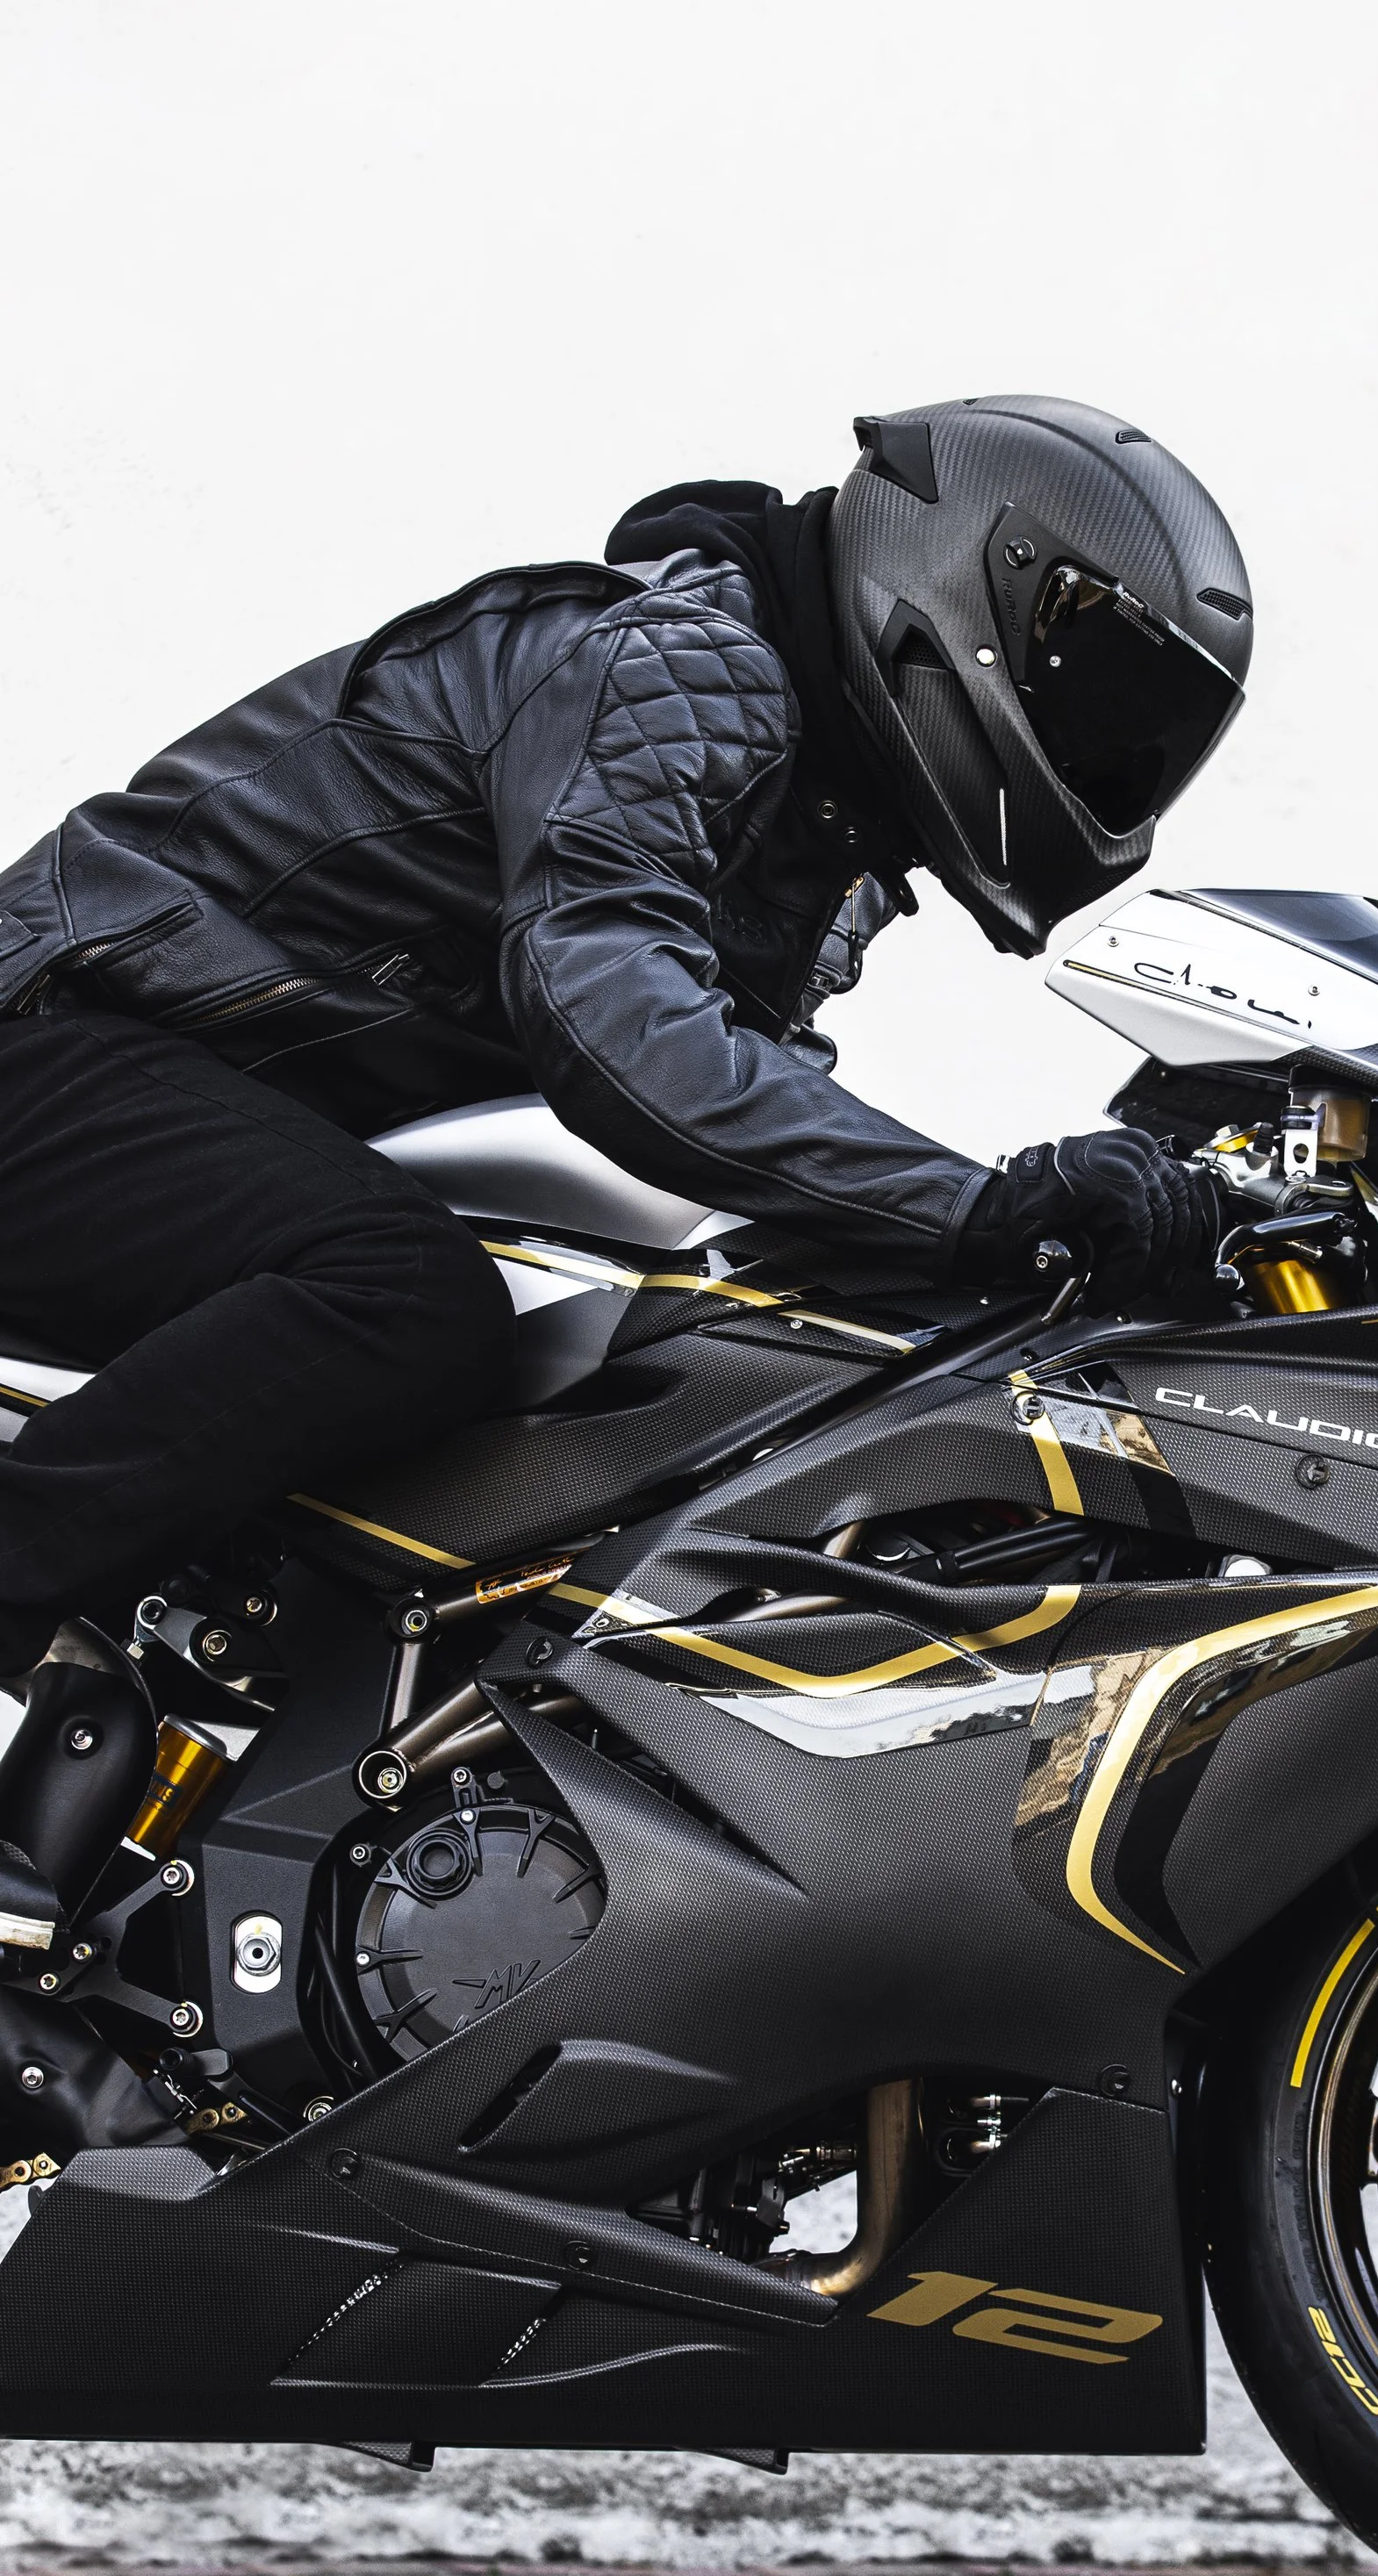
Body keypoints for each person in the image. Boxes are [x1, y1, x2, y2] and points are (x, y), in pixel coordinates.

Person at [0, 394, 1252, 1684]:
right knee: (409, 1299)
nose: (1109, 753)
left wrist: (1049, 1269)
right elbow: (616, 1022)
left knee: (685, 1355)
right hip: (60, 1029)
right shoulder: (685, 661)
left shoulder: (817, 832)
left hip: (237, 1125)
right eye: (1098, 700)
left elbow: (746, 1128)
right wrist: (988, 1208)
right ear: (972, 582)